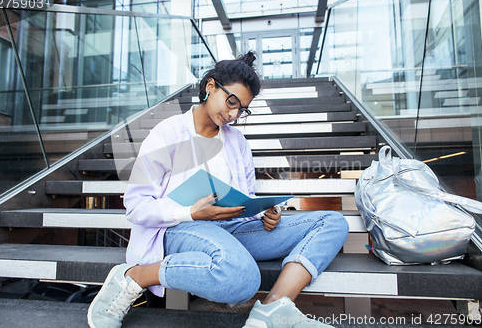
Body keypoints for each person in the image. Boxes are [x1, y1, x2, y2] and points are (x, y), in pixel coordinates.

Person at [87, 52, 349, 328]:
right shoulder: (168, 133)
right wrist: (192, 212)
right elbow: (137, 205)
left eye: (241, 109)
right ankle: (134, 276)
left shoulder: (237, 142)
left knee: (332, 222)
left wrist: (263, 214)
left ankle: (273, 309)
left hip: (232, 227)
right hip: (179, 228)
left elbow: (245, 196)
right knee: (243, 279)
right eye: (232, 102)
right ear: (210, 85)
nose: (234, 114)